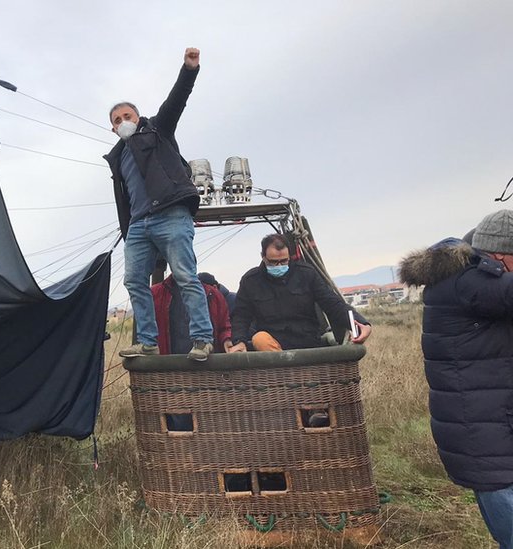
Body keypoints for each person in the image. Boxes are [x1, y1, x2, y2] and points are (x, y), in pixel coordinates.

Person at [399, 209, 513, 549]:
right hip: (495, 442)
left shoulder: (465, 280)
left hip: (495, 434)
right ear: (500, 255)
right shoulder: (470, 284)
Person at [105, 47, 214, 361]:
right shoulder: (117, 157)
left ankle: (202, 339)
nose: (123, 121)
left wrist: (189, 70)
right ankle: (148, 341)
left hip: (170, 213)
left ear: (137, 117)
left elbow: (176, 100)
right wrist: (129, 228)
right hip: (139, 224)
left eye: (127, 116)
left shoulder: (158, 130)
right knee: (133, 280)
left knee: (184, 275)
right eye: (117, 120)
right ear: (112, 128)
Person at [227, 234, 371, 352]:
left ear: (290, 257)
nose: (279, 266)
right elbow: (241, 315)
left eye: (284, 261)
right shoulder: (250, 281)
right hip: (272, 348)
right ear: (263, 257)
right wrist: (239, 341)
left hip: (308, 342)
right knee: (259, 338)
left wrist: (360, 323)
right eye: (273, 262)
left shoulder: (307, 274)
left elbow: (332, 303)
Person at [151, 272, 232, 355]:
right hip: (166, 364)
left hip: (206, 364)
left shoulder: (213, 294)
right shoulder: (154, 294)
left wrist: (227, 340)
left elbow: (224, 327)